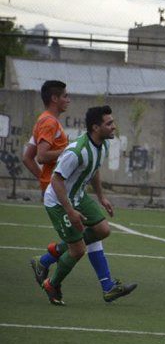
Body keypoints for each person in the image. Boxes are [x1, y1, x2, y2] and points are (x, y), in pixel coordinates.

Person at [25, 83, 128, 302]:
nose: (114, 127)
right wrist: (70, 210)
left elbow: (95, 168)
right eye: (109, 124)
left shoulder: (103, 145)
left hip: (78, 196)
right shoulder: (76, 151)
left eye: (113, 122)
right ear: (95, 128)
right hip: (58, 200)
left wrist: (101, 196)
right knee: (78, 250)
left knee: (102, 229)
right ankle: (52, 285)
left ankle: (45, 259)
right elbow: (55, 180)